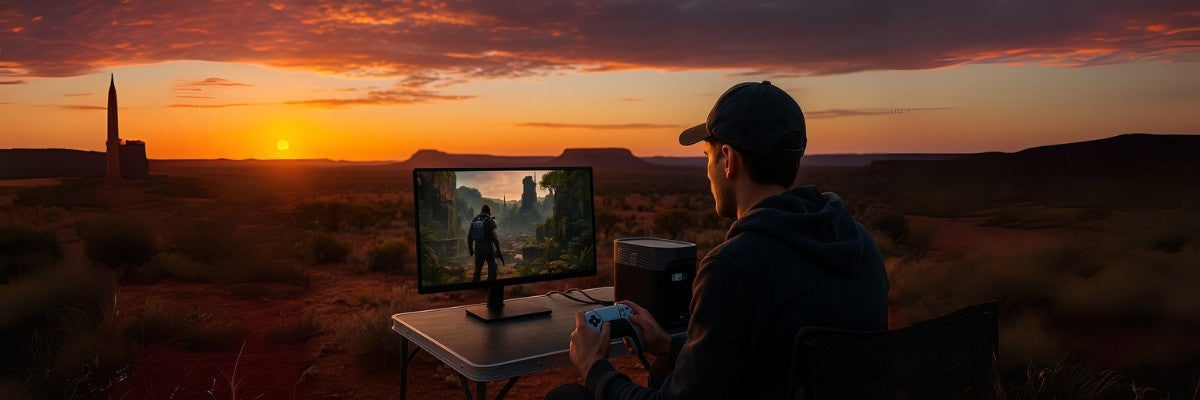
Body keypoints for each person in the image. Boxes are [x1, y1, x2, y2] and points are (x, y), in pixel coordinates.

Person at [551, 81, 889, 399]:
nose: (707, 171)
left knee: (566, 395)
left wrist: (594, 368)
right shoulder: (858, 242)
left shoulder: (734, 267)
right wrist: (670, 343)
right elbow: (770, 356)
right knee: (666, 364)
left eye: (707, 157)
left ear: (728, 160)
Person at [467, 204, 501, 282]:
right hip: (489, 248)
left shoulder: (475, 220)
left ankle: (476, 287)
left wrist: (470, 248)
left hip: (478, 248)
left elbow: (470, 236)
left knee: (478, 270)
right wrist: (498, 250)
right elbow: (494, 238)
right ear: (489, 211)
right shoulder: (489, 220)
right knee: (492, 269)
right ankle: (490, 287)